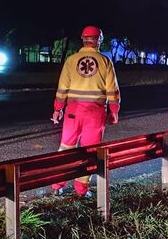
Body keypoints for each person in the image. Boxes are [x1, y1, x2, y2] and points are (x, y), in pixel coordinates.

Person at [51, 25, 120, 196]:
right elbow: (113, 90)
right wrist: (114, 111)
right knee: (89, 152)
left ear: (83, 39)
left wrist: (57, 109)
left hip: (73, 111)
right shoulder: (105, 62)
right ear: (99, 41)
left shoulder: (71, 60)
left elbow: (62, 89)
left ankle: (57, 186)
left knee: (66, 147)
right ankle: (81, 189)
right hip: (95, 113)